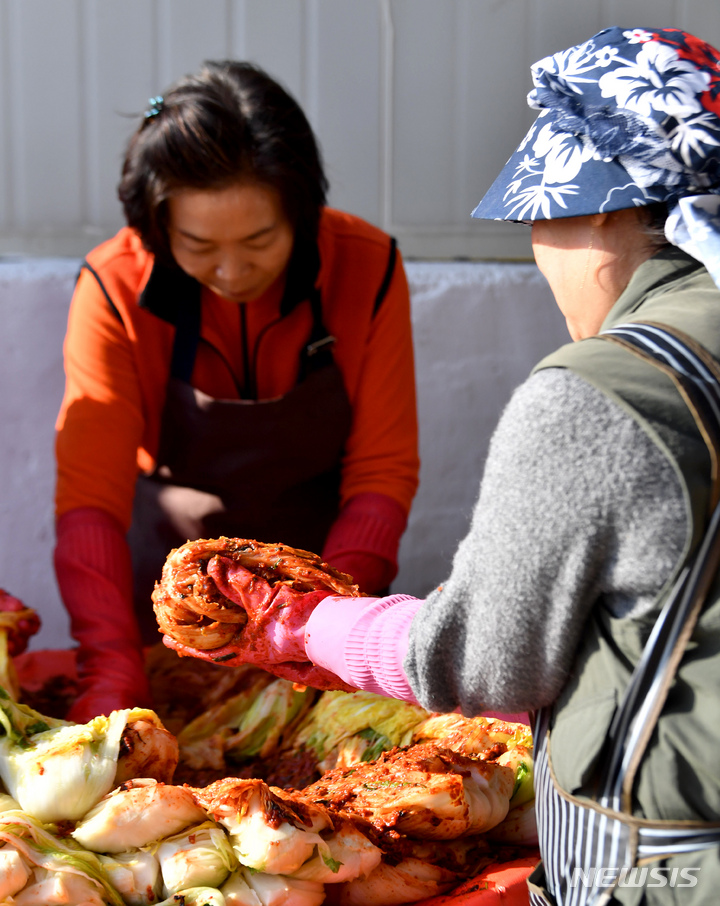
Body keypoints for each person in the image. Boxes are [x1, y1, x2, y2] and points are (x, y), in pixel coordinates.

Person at [165, 28, 720, 905]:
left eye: (543, 217)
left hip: (672, 863)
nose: (540, 250)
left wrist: (301, 628)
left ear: (610, 210)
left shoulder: (604, 389)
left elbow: (484, 665)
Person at [54, 61, 419, 723]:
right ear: (158, 226)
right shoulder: (115, 284)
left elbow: (382, 471)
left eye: (259, 241)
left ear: (302, 212)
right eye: (197, 245)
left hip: (333, 593)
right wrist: (108, 664)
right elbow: (90, 502)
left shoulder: (366, 266)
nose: (230, 271)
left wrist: (320, 623)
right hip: (167, 615)